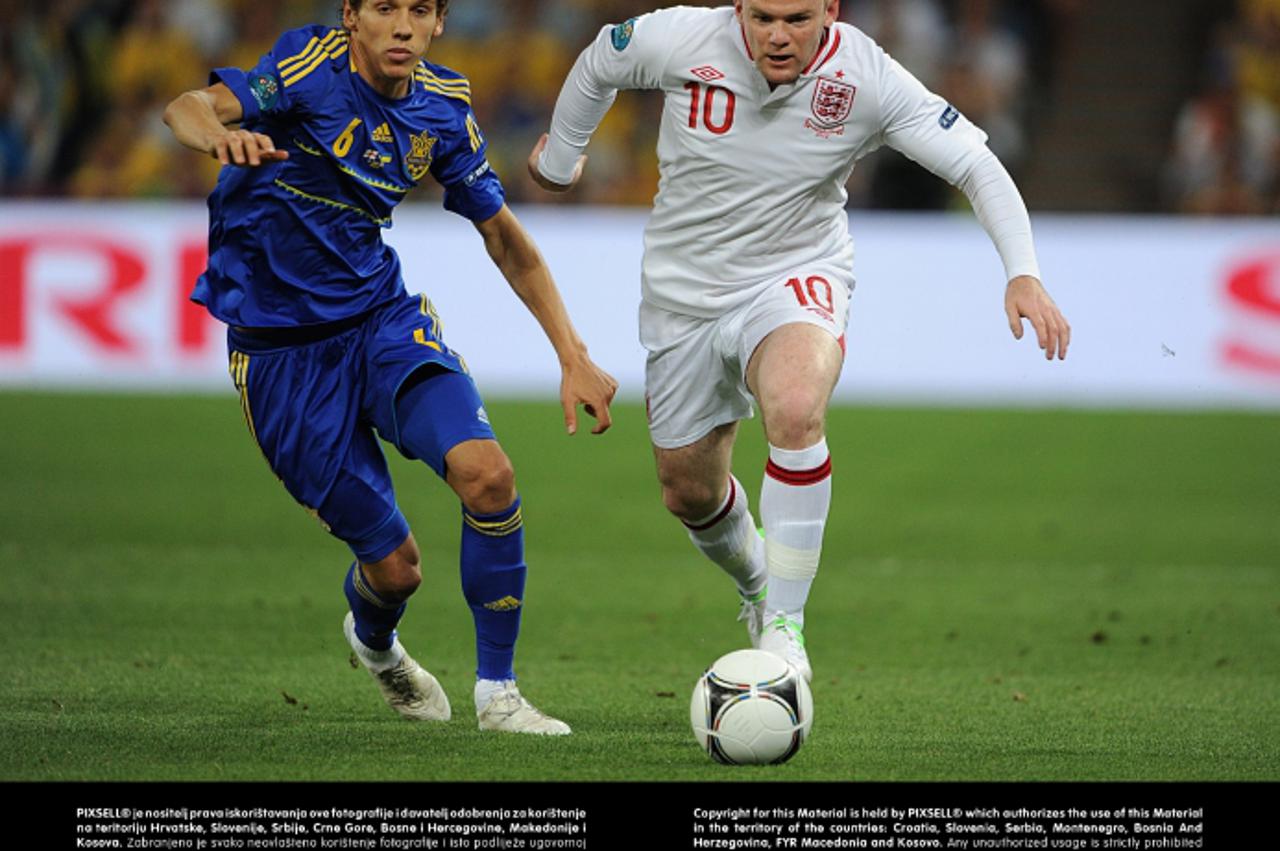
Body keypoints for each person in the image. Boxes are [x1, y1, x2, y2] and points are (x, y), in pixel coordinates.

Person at [529, 0, 1069, 682]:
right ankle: (759, 580)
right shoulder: (681, 37)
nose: (777, 34)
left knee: (794, 405)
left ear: (830, 12)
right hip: (682, 298)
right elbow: (604, 56)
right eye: (761, 17)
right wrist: (563, 154)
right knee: (689, 492)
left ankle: (784, 628)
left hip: (795, 275)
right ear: (739, 9)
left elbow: (976, 165)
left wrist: (1023, 273)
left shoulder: (865, 75)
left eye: (796, 18)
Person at [163, 0, 617, 735]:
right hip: (282, 357)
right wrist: (220, 136)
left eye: (419, 10)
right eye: (383, 8)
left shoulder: (443, 107)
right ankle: (375, 643)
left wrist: (574, 354)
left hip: (381, 321)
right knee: (397, 568)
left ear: (439, 22)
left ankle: (499, 693)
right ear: (351, 17)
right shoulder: (307, 68)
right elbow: (185, 106)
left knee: (489, 475)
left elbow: (503, 236)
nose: (401, 26)